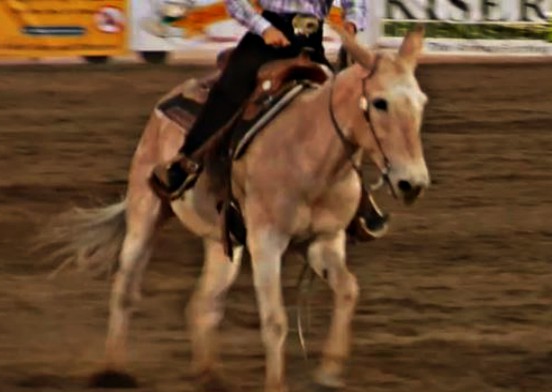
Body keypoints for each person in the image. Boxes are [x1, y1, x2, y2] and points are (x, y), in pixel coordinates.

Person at [153, 0, 389, 237]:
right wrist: (264, 28)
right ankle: (187, 161)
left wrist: (351, 22)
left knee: (341, 109)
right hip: (264, 40)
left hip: (311, 43)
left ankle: (356, 194)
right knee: (229, 92)